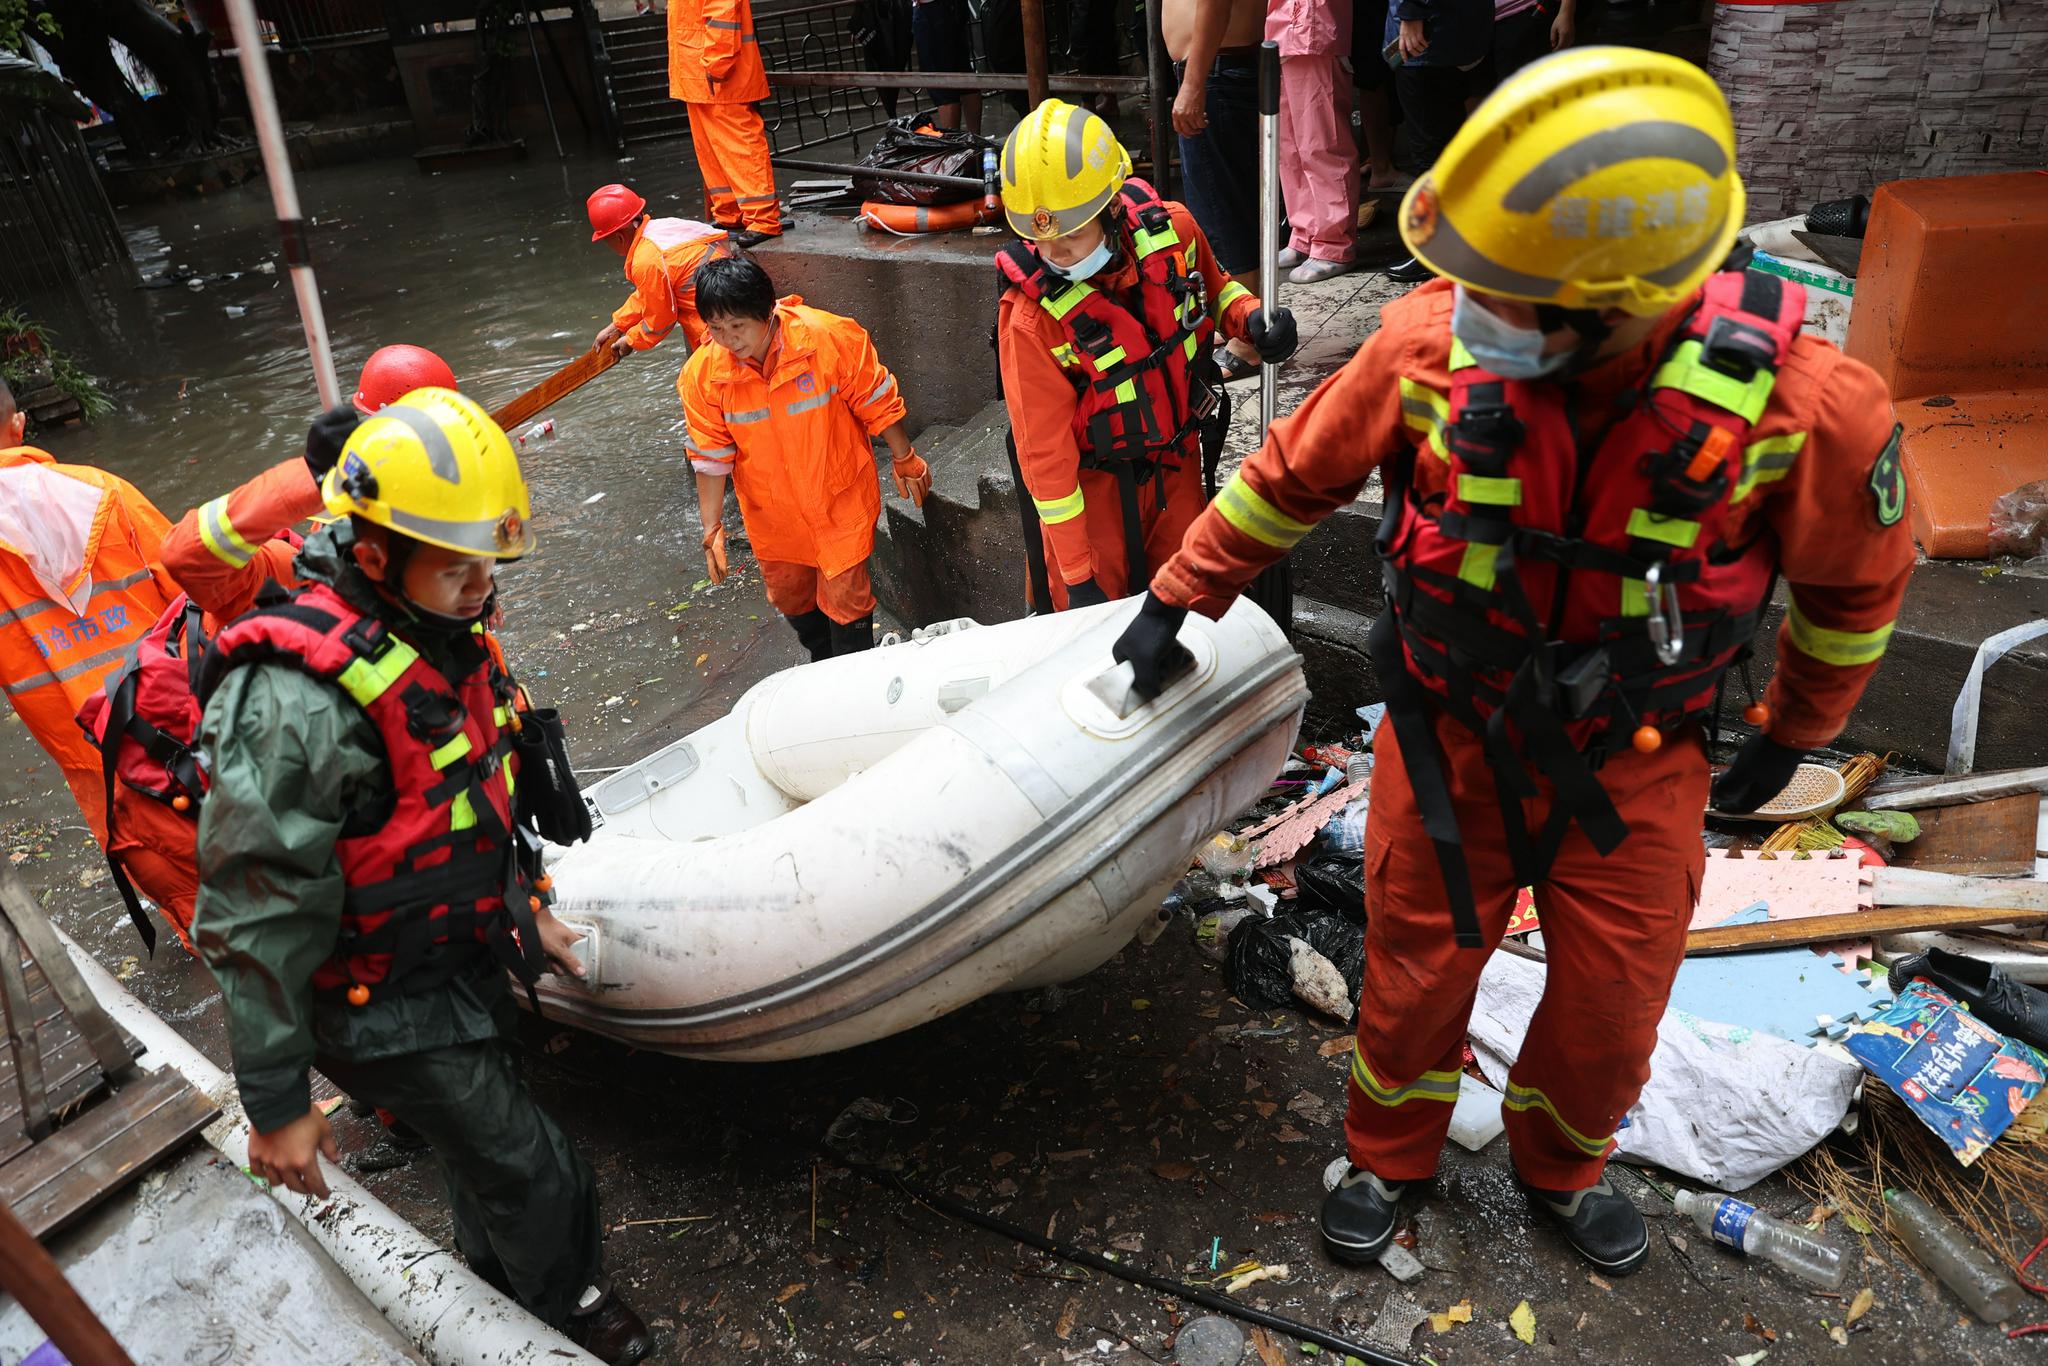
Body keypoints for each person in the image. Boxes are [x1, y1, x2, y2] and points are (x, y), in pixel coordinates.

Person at [1113, 48, 1914, 1276]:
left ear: (1628, 301)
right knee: (1414, 972)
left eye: (1510, 292)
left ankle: (1561, 1166)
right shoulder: (1425, 348)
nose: (1472, 307)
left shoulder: (1804, 409)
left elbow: (1851, 591)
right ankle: (1388, 1155)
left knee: (1612, 1000)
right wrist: (1179, 593)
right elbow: (1287, 478)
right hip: (1450, 737)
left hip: (1636, 759)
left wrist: (1796, 730)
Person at [192, 388, 652, 1362]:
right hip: (372, 997)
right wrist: (275, 1104)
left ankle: (496, 1283)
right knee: (535, 1164)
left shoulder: (439, 629)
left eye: (489, 563)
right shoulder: (292, 702)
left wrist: (528, 908)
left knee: (483, 1144)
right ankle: (566, 1304)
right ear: (373, 557)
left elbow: (468, 796)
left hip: (452, 952)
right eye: (456, 569)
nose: (481, 587)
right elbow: (254, 912)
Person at [80, 348, 461, 956]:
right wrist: (313, 477)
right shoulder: (286, 574)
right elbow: (186, 555)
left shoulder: (416, 577)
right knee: (255, 954)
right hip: (174, 811)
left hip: (252, 777)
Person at [995, 99, 1296, 611]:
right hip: (1094, 499)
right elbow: (1045, 460)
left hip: (1175, 467)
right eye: (1040, 240)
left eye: (1072, 234)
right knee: (1092, 635)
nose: (1057, 254)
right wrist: (1077, 574)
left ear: (1113, 208)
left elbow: (1213, 289)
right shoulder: (1030, 321)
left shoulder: (1172, 233)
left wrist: (1251, 317)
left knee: (1192, 608)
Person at [679, 254, 928, 660]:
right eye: (716, 329)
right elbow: (709, 453)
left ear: (767, 310)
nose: (728, 340)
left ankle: (852, 674)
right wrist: (712, 528)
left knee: (848, 602)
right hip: (772, 515)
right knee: (791, 599)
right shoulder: (703, 376)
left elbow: (876, 397)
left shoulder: (828, 338)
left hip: (839, 500)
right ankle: (822, 658)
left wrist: (905, 457)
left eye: (737, 326)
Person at [0, 378, 181, 860]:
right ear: (19, 425)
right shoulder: (105, 490)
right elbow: (193, 591)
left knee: (166, 875)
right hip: (180, 716)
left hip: (90, 756)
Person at [1164, 0, 1267, 380]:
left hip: (1215, 67)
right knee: (1222, 207)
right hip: (1215, 66)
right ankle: (1241, 319)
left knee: (1225, 212)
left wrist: (1194, 83)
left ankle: (1248, 338)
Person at [1380, 0, 1490, 282]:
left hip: (1428, 35)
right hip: (1453, 34)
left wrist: (1411, 13)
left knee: (1430, 150)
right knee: (1444, 146)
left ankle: (1435, 251)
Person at [668, 0, 784, 247]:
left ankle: (761, 218)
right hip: (699, 73)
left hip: (717, 74)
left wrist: (716, 63)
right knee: (713, 152)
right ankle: (731, 213)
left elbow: (723, 10)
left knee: (739, 146)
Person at [1267, 0, 1360, 283]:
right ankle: (1304, 233)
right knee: (1290, 146)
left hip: (1313, 26)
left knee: (1321, 142)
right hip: (1284, 27)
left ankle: (1333, 244)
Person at [586, 185, 732, 359]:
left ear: (619, 237)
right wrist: (617, 327)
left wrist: (631, 341)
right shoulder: (661, 229)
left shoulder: (645, 260)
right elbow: (651, 294)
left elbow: (660, 322)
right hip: (732, 310)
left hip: (718, 331)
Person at [911, 0, 980, 132]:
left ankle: (954, 142)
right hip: (953, 7)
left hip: (931, 8)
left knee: (942, 85)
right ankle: (975, 138)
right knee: (964, 76)